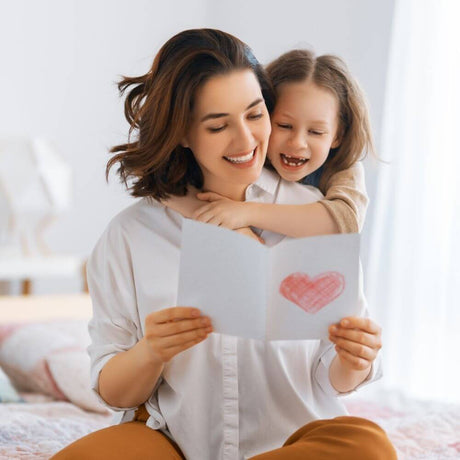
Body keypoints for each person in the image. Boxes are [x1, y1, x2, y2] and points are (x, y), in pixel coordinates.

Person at [51, 29, 396, 460]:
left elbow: (335, 378)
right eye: (218, 125)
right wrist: (151, 351)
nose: (246, 141)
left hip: (292, 446)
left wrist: (355, 359)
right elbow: (114, 392)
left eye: (255, 115)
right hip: (174, 443)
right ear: (181, 133)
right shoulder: (132, 236)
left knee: (368, 447)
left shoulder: (315, 220)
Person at [165, 49, 372, 238]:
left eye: (316, 132)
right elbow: (162, 187)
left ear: (338, 136)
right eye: (284, 125)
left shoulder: (345, 169)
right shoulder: (247, 153)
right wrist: (233, 225)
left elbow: (345, 222)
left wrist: (245, 214)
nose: (298, 143)